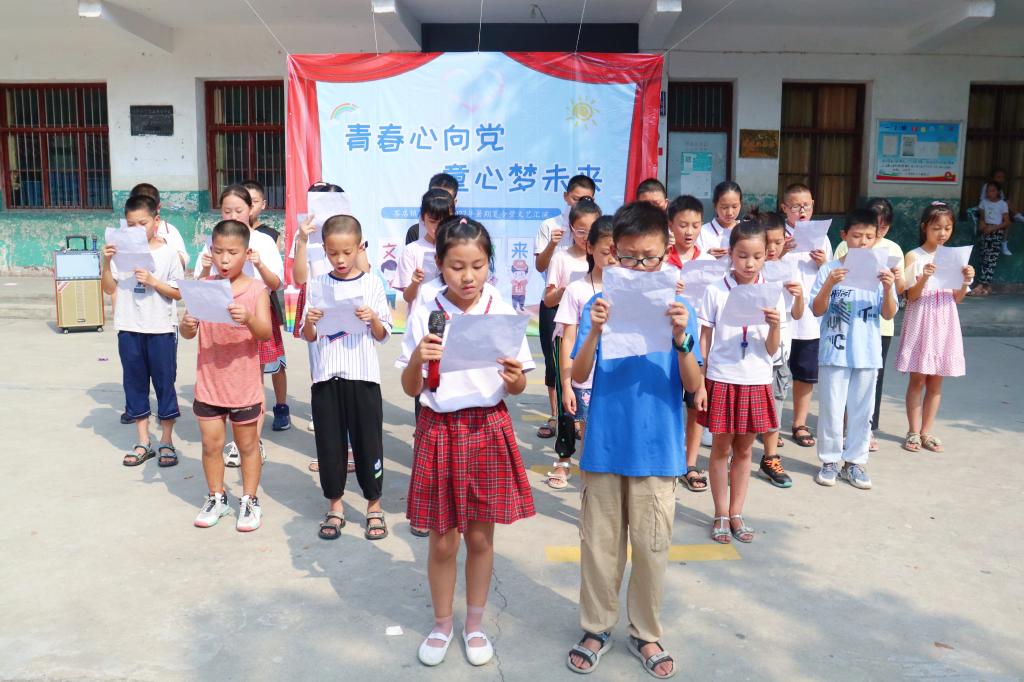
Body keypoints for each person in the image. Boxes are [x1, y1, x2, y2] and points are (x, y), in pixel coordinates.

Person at [565, 201, 704, 678]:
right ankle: (596, 626)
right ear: (611, 255)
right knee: (599, 546)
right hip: (605, 444)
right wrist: (595, 331)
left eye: (648, 257)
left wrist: (682, 339)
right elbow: (578, 374)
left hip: (658, 449)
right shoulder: (597, 307)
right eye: (627, 257)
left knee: (651, 549)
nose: (639, 266)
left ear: (667, 252)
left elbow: (693, 384)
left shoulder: (680, 311)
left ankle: (646, 632)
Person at [397, 216, 535, 667]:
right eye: (457, 266)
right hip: (439, 428)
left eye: (478, 265)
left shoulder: (500, 307)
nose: (468, 276)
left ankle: (474, 625)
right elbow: (410, 387)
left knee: (479, 537)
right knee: (442, 541)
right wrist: (418, 358)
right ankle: (442, 625)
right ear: (439, 264)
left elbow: (518, 386)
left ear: (489, 263)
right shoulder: (426, 309)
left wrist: (514, 379)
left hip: (488, 427)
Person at [301, 215, 392, 541]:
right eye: (333, 253)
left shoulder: (371, 284)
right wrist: (311, 321)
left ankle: (374, 506)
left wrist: (372, 319)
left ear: (359, 247)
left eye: (347, 252)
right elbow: (308, 335)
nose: (340, 260)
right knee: (330, 444)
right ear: (324, 250)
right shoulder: (316, 284)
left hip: (363, 375)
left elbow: (383, 334)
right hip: (326, 376)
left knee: (369, 442)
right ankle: (335, 505)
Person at [180, 220, 272, 531]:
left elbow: (265, 333)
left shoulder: (256, 290)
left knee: (247, 446)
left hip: (243, 385)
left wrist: (248, 318)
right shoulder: (202, 286)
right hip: (209, 383)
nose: (224, 259)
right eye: (218, 251)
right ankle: (216, 497)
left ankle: (249, 499)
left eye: (232, 252)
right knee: (210, 445)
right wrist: (187, 326)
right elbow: (188, 333)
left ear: (246, 253)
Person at [698, 219, 784, 544]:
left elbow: (773, 350)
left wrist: (775, 326)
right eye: (742, 256)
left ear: (767, 256)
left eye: (757, 256)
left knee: (745, 449)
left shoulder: (772, 293)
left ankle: (737, 512)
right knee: (721, 447)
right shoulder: (715, 290)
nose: (749, 263)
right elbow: (705, 338)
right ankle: (720, 512)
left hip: (756, 379)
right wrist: (701, 381)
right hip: (722, 377)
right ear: (730, 253)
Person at [810, 209, 899, 489]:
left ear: (876, 238)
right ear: (844, 236)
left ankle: (855, 463)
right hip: (834, 351)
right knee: (831, 409)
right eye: (857, 236)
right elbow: (816, 309)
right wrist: (830, 283)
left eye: (869, 237)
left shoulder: (882, 273)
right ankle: (829, 461)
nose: (862, 242)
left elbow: (889, 313)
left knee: (862, 411)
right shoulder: (829, 269)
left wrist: (889, 287)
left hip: (867, 352)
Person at [195, 185, 284, 466]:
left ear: (251, 209)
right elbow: (199, 284)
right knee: (228, 375)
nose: (233, 215)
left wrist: (258, 264)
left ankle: (252, 441)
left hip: (254, 313)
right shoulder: (214, 241)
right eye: (226, 210)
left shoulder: (263, 241)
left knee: (255, 378)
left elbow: (276, 284)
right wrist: (206, 267)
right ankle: (240, 440)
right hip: (219, 321)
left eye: (239, 210)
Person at [100, 195, 184, 467]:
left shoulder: (168, 253)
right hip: (128, 326)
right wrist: (106, 262)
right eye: (131, 224)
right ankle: (143, 441)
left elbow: (178, 292)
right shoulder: (119, 253)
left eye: (143, 223)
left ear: (156, 221)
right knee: (134, 383)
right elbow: (109, 288)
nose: (137, 229)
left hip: (160, 328)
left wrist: (153, 281)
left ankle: (167, 440)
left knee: (164, 383)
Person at [896, 202, 974, 454]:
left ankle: (926, 432)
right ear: (924, 228)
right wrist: (925, 277)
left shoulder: (955, 257)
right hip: (921, 318)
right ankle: (913, 431)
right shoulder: (914, 256)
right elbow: (911, 295)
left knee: (936, 381)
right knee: (918, 379)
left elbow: (957, 297)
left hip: (944, 320)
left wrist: (966, 281)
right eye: (936, 228)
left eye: (947, 228)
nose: (942, 233)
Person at [833, 198, 906, 448]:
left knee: (873, 380)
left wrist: (894, 280)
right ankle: (844, 427)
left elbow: (897, 293)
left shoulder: (893, 250)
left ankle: (867, 429)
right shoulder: (845, 247)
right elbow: (835, 283)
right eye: (877, 225)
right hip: (846, 322)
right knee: (843, 379)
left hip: (878, 326)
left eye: (882, 228)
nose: (865, 240)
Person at [545, 207, 606, 490]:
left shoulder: (625, 287)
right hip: (577, 361)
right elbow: (567, 337)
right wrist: (567, 384)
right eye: (581, 230)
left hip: (609, 367)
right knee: (570, 411)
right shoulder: (575, 282)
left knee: (599, 426)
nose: (613, 257)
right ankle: (565, 459)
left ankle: (596, 471)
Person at [534, 174, 597, 439]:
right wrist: (567, 289)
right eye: (576, 197)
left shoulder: (602, 248)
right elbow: (541, 269)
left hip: (591, 318)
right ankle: (559, 418)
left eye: (587, 198)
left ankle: (583, 421)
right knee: (558, 366)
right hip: (560, 313)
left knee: (590, 371)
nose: (580, 202)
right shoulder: (552, 230)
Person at [665, 195, 715, 491]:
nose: (689, 231)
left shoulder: (709, 262)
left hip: (699, 338)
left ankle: (690, 463)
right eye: (683, 225)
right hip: (669, 338)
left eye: (695, 225)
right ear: (671, 225)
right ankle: (669, 458)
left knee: (696, 401)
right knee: (668, 400)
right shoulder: (660, 260)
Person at [779, 183, 832, 449]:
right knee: (776, 372)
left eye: (806, 205)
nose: (801, 211)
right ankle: (770, 424)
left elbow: (830, 275)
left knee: (805, 372)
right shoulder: (777, 234)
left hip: (810, 316)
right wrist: (781, 251)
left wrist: (823, 264)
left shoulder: (822, 238)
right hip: (782, 312)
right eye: (795, 206)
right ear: (784, 208)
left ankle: (799, 422)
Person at [757, 210, 804, 488]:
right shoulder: (747, 269)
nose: (772, 248)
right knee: (745, 405)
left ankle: (770, 457)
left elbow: (797, 313)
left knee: (775, 403)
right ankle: (736, 456)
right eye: (767, 243)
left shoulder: (789, 269)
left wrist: (798, 296)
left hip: (780, 350)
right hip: (752, 349)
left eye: (777, 242)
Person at [242, 179, 292, 432]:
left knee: (274, 361)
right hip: (238, 308)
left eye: (253, 202)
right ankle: (251, 411)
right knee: (249, 365)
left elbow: (276, 280)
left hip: (264, 305)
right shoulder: (226, 235)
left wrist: (259, 263)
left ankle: (281, 407)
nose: (248, 207)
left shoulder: (269, 236)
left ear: (263, 204)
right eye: (244, 202)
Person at [396, 189, 455, 309]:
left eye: (444, 221)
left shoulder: (459, 248)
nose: (438, 227)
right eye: (433, 221)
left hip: (452, 316)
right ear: (423, 219)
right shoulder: (411, 250)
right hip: (421, 317)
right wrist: (415, 282)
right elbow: (407, 298)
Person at [129, 182, 190, 269]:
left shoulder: (169, 232)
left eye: (143, 223)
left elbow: (183, 262)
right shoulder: (126, 232)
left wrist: (165, 247)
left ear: (158, 208)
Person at [973, 181, 1010, 296]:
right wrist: (983, 226)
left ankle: (982, 284)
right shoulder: (984, 202)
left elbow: (1006, 222)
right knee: (984, 258)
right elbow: (982, 218)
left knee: (991, 259)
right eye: (988, 191)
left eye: (993, 190)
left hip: (996, 233)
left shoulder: (1002, 204)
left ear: (998, 192)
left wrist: (993, 228)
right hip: (986, 232)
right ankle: (986, 286)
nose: (990, 193)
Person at [405, 173, 460, 245]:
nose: (439, 204)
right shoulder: (415, 232)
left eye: (445, 198)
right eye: (435, 196)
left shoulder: (464, 232)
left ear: (454, 202)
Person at [696, 181, 743, 258]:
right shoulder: (702, 232)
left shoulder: (747, 231)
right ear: (715, 206)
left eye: (734, 207)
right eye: (724, 207)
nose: (729, 213)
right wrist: (707, 256)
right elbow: (692, 259)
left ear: (741, 204)